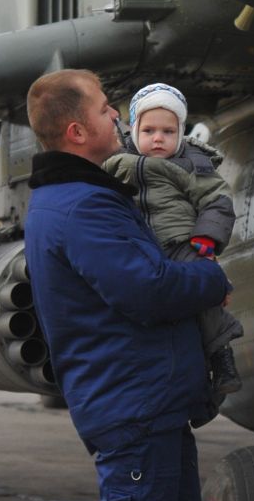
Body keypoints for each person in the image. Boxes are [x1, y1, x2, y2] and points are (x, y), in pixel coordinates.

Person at [23, 66, 232, 501]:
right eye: (109, 109)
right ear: (79, 129)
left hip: (156, 399)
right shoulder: (82, 208)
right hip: (132, 404)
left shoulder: (92, 197)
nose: (120, 118)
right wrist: (208, 277)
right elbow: (146, 291)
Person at [104, 82, 243, 402]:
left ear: (180, 132)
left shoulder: (192, 163)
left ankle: (220, 355)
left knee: (206, 294)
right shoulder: (116, 164)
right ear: (134, 129)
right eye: (149, 130)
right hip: (139, 247)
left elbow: (217, 199)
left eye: (168, 131)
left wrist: (207, 238)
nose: (158, 138)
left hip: (184, 244)